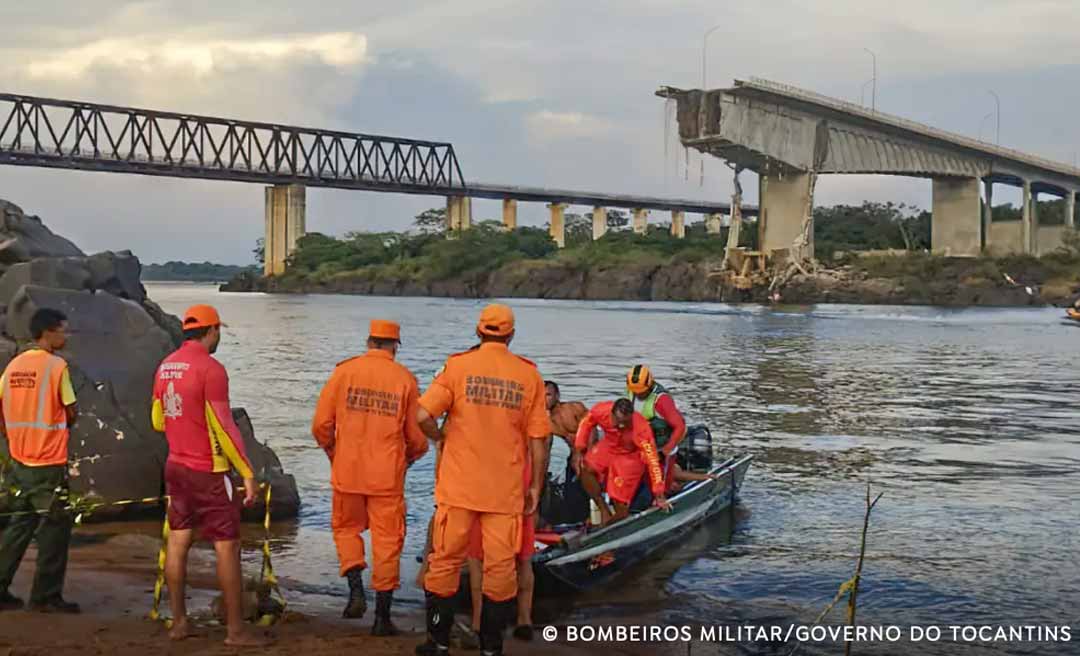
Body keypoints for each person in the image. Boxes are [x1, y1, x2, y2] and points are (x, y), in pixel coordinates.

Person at [416, 304, 550, 656]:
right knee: (501, 569)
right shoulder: (529, 375)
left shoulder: (457, 367)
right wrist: (535, 486)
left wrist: (440, 438)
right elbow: (539, 440)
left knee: (444, 562)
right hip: (504, 493)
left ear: (478, 332)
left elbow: (420, 415)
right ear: (511, 335)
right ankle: (491, 648)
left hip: (458, 489)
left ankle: (438, 642)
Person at [150, 305, 266, 647]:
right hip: (209, 470)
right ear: (211, 331)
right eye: (219, 331)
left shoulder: (166, 365)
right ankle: (235, 631)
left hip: (176, 466)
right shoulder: (211, 369)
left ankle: (179, 623)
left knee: (178, 541)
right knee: (227, 547)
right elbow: (225, 426)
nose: (219, 337)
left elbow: (157, 419)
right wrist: (247, 472)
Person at [311, 319, 428, 634]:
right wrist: (410, 458)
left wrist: (335, 454)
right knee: (387, 543)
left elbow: (321, 425)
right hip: (386, 477)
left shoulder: (343, 373)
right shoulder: (405, 379)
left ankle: (355, 590)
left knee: (346, 530)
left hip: (347, 471)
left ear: (369, 341)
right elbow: (417, 438)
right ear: (395, 346)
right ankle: (382, 619)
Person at [0, 308, 79, 613]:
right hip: (48, 461)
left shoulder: (14, 366)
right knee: (55, 528)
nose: (66, 336)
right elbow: (70, 409)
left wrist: (12, 438)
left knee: (19, 524)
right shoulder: (56, 367)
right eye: (64, 330)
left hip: (20, 461)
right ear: (48, 332)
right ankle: (46, 596)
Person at [573, 398, 670, 526]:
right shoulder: (601, 410)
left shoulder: (641, 430)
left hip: (630, 454)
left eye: (625, 422)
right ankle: (603, 509)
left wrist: (659, 493)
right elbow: (586, 423)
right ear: (611, 414)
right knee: (585, 467)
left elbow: (653, 461)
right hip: (609, 445)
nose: (621, 426)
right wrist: (579, 449)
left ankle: (612, 524)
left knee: (620, 501)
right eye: (618, 421)